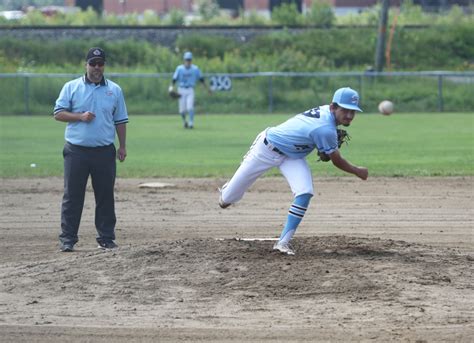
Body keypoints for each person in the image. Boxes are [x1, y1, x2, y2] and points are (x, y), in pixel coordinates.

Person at [219, 87, 368, 256]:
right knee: (226, 200)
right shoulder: (325, 129)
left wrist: (325, 150)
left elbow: (324, 152)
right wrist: (357, 171)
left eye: (353, 111)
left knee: (305, 192)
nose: (349, 115)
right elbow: (336, 161)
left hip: (293, 157)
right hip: (266, 149)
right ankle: (226, 191)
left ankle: (282, 243)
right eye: (345, 110)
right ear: (333, 107)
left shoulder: (328, 117)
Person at [53, 47, 129, 252]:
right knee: (73, 196)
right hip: (76, 151)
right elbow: (58, 113)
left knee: (105, 195)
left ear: (104, 66)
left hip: (104, 151)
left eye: (100, 64)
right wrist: (79, 116)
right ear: (85, 65)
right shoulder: (71, 87)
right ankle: (67, 239)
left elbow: (120, 120)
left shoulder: (114, 90)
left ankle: (106, 237)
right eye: (93, 64)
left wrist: (122, 146)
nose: (97, 68)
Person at [169, 51, 211, 129]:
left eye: (189, 60)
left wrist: (207, 89)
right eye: (186, 60)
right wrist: (171, 87)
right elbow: (174, 79)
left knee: (190, 107)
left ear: (191, 60)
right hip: (181, 90)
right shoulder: (179, 68)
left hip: (190, 90)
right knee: (182, 111)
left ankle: (191, 123)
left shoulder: (195, 69)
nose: (188, 61)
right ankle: (185, 122)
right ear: (184, 60)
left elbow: (201, 79)